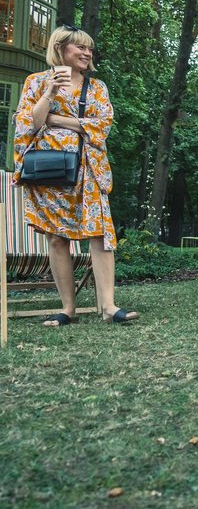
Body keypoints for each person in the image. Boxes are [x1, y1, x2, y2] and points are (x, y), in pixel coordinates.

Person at [12, 24, 138, 325]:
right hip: (50, 169)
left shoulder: (97, 88)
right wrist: (52, 93)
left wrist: (56, 119)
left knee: (99, 233)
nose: (87, 52)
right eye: (80, 47)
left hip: (89, 167)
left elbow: (102, 125)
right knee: (57, 238)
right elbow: (28, 123)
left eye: (89, 47)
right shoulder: (36, 82)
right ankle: (68, 308)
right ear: (60, 49)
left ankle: (108, 306)